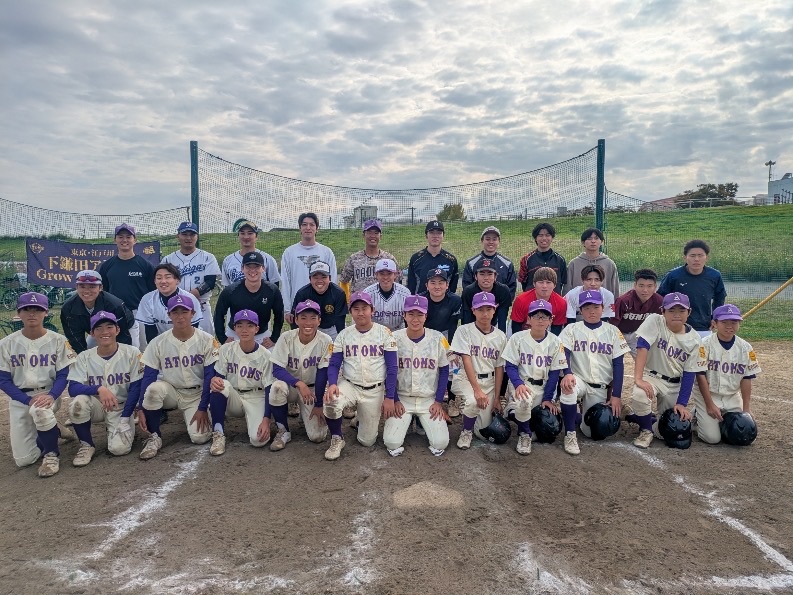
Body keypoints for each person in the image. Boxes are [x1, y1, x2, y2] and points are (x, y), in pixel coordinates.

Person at [131, 294, 220, 460]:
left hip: (197, 394)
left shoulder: (207, 339)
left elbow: (210, 376)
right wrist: (141, 407)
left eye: (184, 312)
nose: (180, 316)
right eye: (175, 312)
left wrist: (202, 408)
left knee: (199, 438)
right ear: (169, 315)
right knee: (153, 390)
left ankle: (206, 413)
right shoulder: (158, 342)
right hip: (171, 390)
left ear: (192, 313)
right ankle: (154, 436)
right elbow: (148, 377)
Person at [0, 292, 76, 477]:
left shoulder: (58, 340)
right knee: (24, 460)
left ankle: (52, 454)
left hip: (48, 393)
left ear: (46, 313)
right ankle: (53, 428)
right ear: (18, 313)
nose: (32, 313)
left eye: (37, 309)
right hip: (20, 399)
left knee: (40, 411)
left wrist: (52, 396)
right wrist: (26, 400)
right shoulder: (6, 343)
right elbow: (3, 379)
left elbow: (63, 374)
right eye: (27, 309)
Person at [320, 291, 398, 461]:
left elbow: (392, 367)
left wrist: (389, 397)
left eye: (364, 308)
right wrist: (332, 383)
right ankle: (337, 438)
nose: (361, 312)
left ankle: (359, 418)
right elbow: (334, 364)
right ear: (351, 312)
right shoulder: (344, 334)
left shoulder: (384, 333)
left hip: (375, 389)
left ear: (372, 310)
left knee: (367, 441)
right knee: (331, 402)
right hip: (350, 384)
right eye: (356, 309)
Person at [627, 292, 705, 449]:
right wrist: (639, 379)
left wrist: (682, 403)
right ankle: (646, 430)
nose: (676, 314)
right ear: (662, 311)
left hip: (674, 384)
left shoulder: (695, 340)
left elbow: (690, 373)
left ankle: (636, 418)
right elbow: (642, 346)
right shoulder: (655, 320)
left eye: (681, 310)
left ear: (689, 312)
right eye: (671, 310)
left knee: (667, 429)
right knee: (640, 395)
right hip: (652, 376)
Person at [66, 311, 143, 466]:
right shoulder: (84, 356)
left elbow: (136, 387)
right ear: (92, 333)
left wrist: (125, 418)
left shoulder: (132, 352)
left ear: (117, 330)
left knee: (119, 450)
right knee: (78, 403)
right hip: (97, 406)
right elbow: (72, 388)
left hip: (122, 407)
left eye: (109, 327)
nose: (104, 332)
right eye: (99, 328)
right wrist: (99, 389)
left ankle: (120, 428)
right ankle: (86, 444)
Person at [558, 290, 629, 456]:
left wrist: (616, 396)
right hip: (579, 380)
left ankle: (576, 416)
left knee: (592, 432)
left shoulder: (613, 331)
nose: (591, 311)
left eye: (596, 307)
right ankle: (570, 434)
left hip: (600, 387)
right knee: (568, 388)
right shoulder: (571, 328)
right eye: (587, 307)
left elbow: (619, 365)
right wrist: (567, 373)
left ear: (603, 308)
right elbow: (563, 354)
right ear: (580, 310)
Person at [382, 295, 450, 457]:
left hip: (429, 399)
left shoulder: (438, 338)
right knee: (391, 442)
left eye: (420, 314)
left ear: (426, 316)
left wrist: (439, 402)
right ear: (404, 315)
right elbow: (386, 371)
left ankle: (418, 421)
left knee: (440, 443)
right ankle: (409, 421)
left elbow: (445, 370)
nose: (415, 319)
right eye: (411, 314)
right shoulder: (393, 338)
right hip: (402, 398)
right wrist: (394, 399)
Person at [502, 299, 568, 455]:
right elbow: (510, 366)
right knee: (524, 403)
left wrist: (548, 398)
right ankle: (524, 434)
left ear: (551, 320)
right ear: (528, 319)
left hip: (543, 387)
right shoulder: (517, 338)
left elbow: (554, 372)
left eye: (544, 316)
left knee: (549, 427)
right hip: (523, 384)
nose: (540, 320)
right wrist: (518, 384)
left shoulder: (556, 341)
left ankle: (515, 415)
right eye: (536, 316)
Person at [206, 309, 274, 456]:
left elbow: (269, 389)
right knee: (219, 383)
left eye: (250, 325)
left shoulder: (266, 355)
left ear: (257, 329)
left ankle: (262, 420)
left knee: (258, 440)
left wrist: (266, 419)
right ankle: (218, 433)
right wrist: (214, 379)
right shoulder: (226, 349)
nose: (244, 330)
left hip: (256, 397)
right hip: (234, 397)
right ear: (234, 328)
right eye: (240, 325)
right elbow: (219, 376)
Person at [690, 305, 760, 444]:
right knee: (712, 438)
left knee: (745, 430)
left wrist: (746, 409)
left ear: (739, 323)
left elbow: (747, 378)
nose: (729, 326)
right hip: (708, 394)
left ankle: (713, 417)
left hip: (732, 396)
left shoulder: (745, 347)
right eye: (724, 322)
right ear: (714, 323)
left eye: (734, 322)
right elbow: (700, 375)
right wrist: (709, 404)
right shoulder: (704, 345)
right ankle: (697, 417)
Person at [267, 300, 331, 451]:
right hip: (290, 386)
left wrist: (319, 404)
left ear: (319, 320)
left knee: (317, 437)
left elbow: (323, 373)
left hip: (312, 389)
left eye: (313, 318)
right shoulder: (286, 337)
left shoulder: (325, 340)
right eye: (303, 318)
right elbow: (277, 369)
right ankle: (283, 430)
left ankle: (305, 412)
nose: (308, 322)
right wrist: (299, 383)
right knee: (276, 387)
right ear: (296, 320)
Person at [450, 291, 507, 449]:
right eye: (480, 309)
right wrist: (476, 390)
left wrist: (497, 397)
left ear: (495, 309)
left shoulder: (501, 336)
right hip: (466, 379)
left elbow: (499, 367)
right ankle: (466, 431)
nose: (485, 314)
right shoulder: (464, 330)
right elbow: (466, 359)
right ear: (473, 310)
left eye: (488, 309)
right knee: (474, 401)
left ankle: (472, 416)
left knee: (483, 432)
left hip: (489, 381)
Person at [99, 223, 156, 349]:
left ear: (135, 240)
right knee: (115, 347)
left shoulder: (145, 265)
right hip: (114, 313)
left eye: (128, 237)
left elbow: (153, 291)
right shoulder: (107, 266)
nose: (124, 240)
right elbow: (103, 291)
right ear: (115, 240)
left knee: (142, 348)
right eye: (120, 237)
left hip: (139, 313)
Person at [162, 221, 221, 335]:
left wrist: (187, 297)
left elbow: (210, 282)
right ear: (178, 236)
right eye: (184, 234)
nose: (188, 238)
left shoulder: (208, 257)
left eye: (192, 234)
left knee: (206, 341)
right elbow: (164, 283)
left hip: (201, 306)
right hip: (176, 308)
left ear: (197, 236)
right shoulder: (168, 259)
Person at [213, 252, 284, 347]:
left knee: (269, 357)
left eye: (256, 267)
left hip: (262, 336)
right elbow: (219, 314)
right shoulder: (231, 290)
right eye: (248, 267)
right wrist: (223, 338)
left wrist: (274, 338)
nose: (252, 270)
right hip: (236, 335)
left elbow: (279, 315)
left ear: (263, 268)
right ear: (242, 268)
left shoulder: (272, 290)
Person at [658, 239, 727, 338]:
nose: (696, 259)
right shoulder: (673, 276)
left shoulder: (715, 275)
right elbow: (660, 298)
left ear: (707, 257)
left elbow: (720, 297)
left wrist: (715, 317)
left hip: (703, 327)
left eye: (700, 255)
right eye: (692, 255)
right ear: (685, 258)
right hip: (678, 327)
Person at [418, 267, 462, 417]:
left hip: (446, 339)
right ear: (426, 285)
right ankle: (426, 398)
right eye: (433, 282)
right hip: (426, 338)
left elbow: (453, 325)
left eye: (441, 282)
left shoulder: (455, 300)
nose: (437, 286)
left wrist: (452, 349)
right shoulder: (421, 300)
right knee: (426, 369)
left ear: (447, 285)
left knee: (453, 370)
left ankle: (452, 399)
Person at [280, 212, 338, 325]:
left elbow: (333, 280)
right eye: (304, 224)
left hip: (322, 306)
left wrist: (332, 303)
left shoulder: (326, 252)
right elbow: (285, 282)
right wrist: (287, 309)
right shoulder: (289, 252)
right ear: (300, 228)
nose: (308, 228)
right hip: (298, 307)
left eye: (312, 225)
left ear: (317, 229)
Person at [60, 269, 135, 354]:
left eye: (92, 287)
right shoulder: (68, 308)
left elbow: (123, 336)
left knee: (131, 352)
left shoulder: (114, 305)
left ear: (101, 288)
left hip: (126, 328)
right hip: (95, 330)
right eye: (82, 286)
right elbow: (75, 339)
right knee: (91, 353)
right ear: (76, 287)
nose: (87, 291)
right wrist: (83, 357)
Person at [136, 263, 203, 342]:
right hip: (162, 341)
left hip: (188, 340)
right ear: (154, 281)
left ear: (177, 280)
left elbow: (194, 327)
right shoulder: (147, 299)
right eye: (159, 278)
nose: (163, 281)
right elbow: (150, 332)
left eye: (168, 277)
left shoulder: (190, 299)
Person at [609, 269, 664, 357]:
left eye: (649, 286)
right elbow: (612, 324)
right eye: (641, 285)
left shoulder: (659, 301)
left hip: (637, 334)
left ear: (655, 287)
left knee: (645, 360)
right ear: (635, 285)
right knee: (614, 360)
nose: (645, 290)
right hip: (619, 334)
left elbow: (661, 323)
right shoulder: (624, 301)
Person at [339, 218, 398, 298]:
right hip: (360, 303)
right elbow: (343, 281)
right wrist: (347, 300)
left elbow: (398, 282)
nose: (372, 236)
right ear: (363, 235)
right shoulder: (354, 259)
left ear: (380, 236)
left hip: (383, 304)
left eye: (376, 233)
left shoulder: (389, 259)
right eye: (369, 232)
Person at [292, 261, 347, 339]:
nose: (319, 281)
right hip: (312, 328)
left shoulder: (338, 293)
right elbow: (295, 318)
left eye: (324, 277)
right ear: (310, 279)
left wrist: (341, 339)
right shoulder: (302, 294)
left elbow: (340, 320)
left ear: (330, 278)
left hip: (333, 328)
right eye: (315, 277)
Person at [221, 220, 281, 287]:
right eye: (242, 233)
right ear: (238, 236)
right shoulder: (228, 260)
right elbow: (227, 288)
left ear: (256, 237)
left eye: (250, 233)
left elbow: (275, 287)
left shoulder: (268, 259)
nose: (246, 237)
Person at [462, 225, 517, 299]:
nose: (491, 242)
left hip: (499, 304)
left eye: (494, 239)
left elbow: (511, 287)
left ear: (499, 241)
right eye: (487, 239)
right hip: (477, 305)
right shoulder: (471, 263)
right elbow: (467, 287)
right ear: (482, 241)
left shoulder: (507, 263)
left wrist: (502, 303)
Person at [563, 228, 619, 297]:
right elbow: (567, 288)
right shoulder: (574, 264)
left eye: (596, 238)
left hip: (604, 302)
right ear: (583, 242)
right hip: (578, 302)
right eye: (589, 239)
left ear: (601, 242)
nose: (593, 241)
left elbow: (615, 288)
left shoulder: (609, 264)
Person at [406, 220, 459, 294]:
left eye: (439, 233)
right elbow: (411, 285)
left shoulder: (451, 260)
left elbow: (452, 287)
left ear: (443, 236)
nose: (435, 236)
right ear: (426, 236)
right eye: (431, 232)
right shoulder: (416, 259)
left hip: (444, 301)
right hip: (420, 300)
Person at [510, 268, 567, 336]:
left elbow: (556, 329)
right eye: (541, 282)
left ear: (554, 285)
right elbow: (516, 326)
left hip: (547, 333)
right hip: (523, 332)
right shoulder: (521, 300)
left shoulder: (561, 303)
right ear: (534, 284)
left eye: (548, 282)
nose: (544, 286)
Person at [461, 259, 512, 333]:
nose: (486, 278)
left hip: (494, 323)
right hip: (473, 324)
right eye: (482, 274)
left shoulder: (503, 290)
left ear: (495, 276)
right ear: (476, 276)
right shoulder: (468, 291)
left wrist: (501, 336)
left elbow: (502, 318)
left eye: (490, 274)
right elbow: (466, 318)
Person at [363, 258, 412, 331]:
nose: (385, 277)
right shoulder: (367, 293)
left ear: (395, 275)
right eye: (382, 274)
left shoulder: (405, 293)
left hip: (398, 332)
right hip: (375, 332)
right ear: (376, 275)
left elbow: (410, 317)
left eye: (389, 274)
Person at [518, 222, 567, 294]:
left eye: (547, 235)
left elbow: (562, 282)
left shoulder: (560, 260)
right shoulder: (526, 259)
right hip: (533, 299)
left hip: (554, 299)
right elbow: (523, 282)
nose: (544, 238)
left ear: (552, 238)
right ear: (535, 238)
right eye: (540, 235)